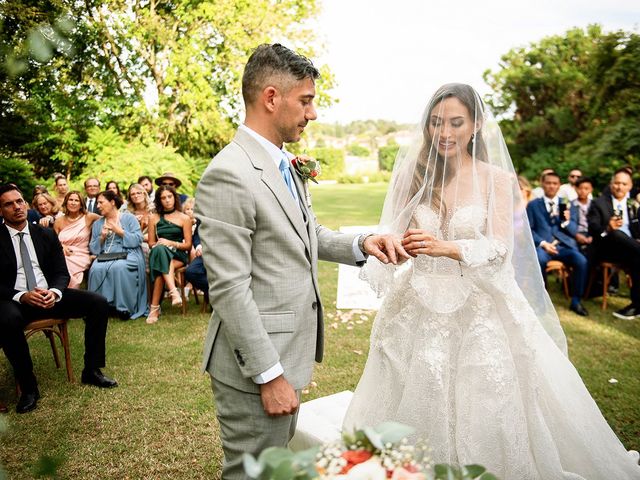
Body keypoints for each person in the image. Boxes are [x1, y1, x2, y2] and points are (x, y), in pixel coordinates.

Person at [341, 84, 640, 479]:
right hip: (417, 304)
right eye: (435, 123)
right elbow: (392, 233)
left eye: (455, 122)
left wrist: (448, 247)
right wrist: (397, 246)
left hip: (478, 306)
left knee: (485, 399)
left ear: (475, 124)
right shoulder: (415, 176)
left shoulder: (497, 180)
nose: (444, 132)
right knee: (416, 391)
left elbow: (500, 248)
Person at [194, 43, 407, 478]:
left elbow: (305, 234)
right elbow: (229, 290)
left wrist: (362, 243)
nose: (312, 114)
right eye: (306, 100)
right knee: (251, 471)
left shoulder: (284, 165)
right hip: (255, 364)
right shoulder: (229, 173)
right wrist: (269, 376)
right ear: (272, 98)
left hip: (286, 353)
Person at [0, 184, 117, 414]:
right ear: (0, 210)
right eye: (8, 204)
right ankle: (28, 387)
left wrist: (54, 292)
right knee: (7, 320)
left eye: (20, 201)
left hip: (50, 296)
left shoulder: (45, 233)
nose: (17, 207)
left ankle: (91, 370)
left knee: (98, 303)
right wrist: (22, 296)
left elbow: (61, 273)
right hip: (16, 301)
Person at [527, 171, 589, 316]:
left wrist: (566, 221)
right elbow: (528, 229)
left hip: (563, 246)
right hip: (543, 247)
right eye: (548, 183)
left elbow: (573, 231)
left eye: (555, 183)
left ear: (559, 186)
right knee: (539, 259)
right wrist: (542, 243)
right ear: (543, 184)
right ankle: (542, 300)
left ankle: (576, 301)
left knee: (582, 261)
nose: (551, 186)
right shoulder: (533, 205)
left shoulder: (566, 204)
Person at [588, 168, 640, 320]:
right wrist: (608, 228)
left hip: (632, 250)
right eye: (617, 183)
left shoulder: (634, 205)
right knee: (616, 233)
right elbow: (593, 231)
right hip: (607, 247)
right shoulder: (598, 203)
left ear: (630, 186)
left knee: (638, 258)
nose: (620, 187)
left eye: (624, 184)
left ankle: (637, 305)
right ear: (611, 185)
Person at [88, 190, 148, 320]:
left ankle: (123, 308)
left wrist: (119, 231)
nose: (97, 206)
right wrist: (102, 238)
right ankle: (99, 308)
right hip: (107, 254)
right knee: (96, 269)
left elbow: (138, 239)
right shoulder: (98, 223)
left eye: (101, 202)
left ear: (112, 202)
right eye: (97, 203)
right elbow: (94, 249)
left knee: (119, 267)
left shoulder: (128, 218)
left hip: (129, 252)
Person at [146, 185, 192, 324]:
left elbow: (188, 245)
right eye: (163, 198)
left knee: (161, 269)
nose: (167, 200)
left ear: (174, 197)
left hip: (178, 255)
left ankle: (154, 309)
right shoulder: (153, 218)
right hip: (159, 253)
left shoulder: (184, 218)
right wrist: (162, 245)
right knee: (160, 251)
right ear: (159, 200)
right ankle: (174, 292)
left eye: (169, 196)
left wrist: (170, 243)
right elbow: (151, 243)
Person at [54, 191, 100, 288]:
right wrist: (62, 246)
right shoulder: (58, 221)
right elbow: (53, 241)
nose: (73, 203)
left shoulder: (89, 217)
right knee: (60, 263)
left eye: (76, 200)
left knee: (66, 267)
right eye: (70, 200)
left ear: (81, 204)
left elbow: (108, 218)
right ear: (66, 202)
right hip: (62, 253)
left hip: (81, 255)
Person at [572, 177, 594, 255]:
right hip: (577, 233)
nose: (583, 191)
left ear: (591, 189)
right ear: (575, 188)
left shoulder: (595, 204)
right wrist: (576, 235)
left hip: (592, 233)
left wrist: (593, 235)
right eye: (580, 188)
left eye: (586, 188)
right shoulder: (571, 205)